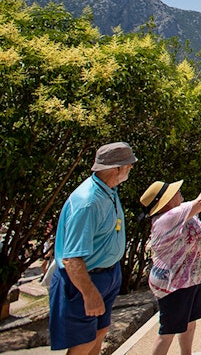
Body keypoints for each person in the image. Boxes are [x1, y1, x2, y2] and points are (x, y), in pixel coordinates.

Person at [49, 141, 137, 355]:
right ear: (116, 168)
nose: (132, 168)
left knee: (99, 332)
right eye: (129, 164)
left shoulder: (109, 190)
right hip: (85, 280)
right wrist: (89, 293)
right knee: (83, 342)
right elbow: (72, 258)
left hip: (107, 274)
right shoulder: (87, 202)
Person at [140, 164, 201, 355]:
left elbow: (200, 200)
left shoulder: (178, 212)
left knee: (189, 322)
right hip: (175, 283)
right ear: (165, 202)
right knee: (168, 330)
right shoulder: (168, 218)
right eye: (175, 191)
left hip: (191, 279)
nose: (179, 192)